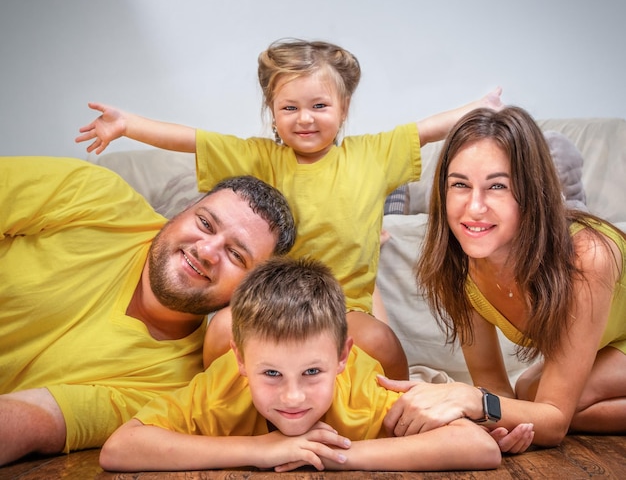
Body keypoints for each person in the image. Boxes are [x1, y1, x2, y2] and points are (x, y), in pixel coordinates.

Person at [75, 38, 505, 380]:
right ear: (272, 113)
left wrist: (479, 108)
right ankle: (222, 405)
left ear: (344, 109)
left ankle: (393, 414)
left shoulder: (374, 153)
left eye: (319, 106)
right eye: (290, 108)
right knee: (222, 328)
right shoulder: (260, 158)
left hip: (342, 308)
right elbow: (192, 139)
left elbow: (428, 129)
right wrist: (128, 125)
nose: (305, 119)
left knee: (384, 343)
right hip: (267, 302)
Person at [0, 157, 296, 467]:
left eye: (236, 254)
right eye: (205, 223)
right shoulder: (93, 194)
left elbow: (39, 417)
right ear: (180, 213)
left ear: (247, 291)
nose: (206, 251)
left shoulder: (173, 386)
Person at [99, 256, 508, 473]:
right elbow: (119, 449)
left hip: (368, 367)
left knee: (383, 338)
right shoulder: (221, 385)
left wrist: (336, 456)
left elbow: (478, 446)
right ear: (240, 361)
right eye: (271, 373)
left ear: (341, 359)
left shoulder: (361, 386)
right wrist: (260, 449)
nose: (292, 396)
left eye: (312, 372)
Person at [379, 106, 626, 449]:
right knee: (527, 395)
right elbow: (495, 389)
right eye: (460, 185)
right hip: (610, 348)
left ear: (531, 191)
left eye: (497, 186)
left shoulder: (587, 255)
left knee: (550, 407)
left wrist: (470, 400)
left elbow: (552, 422)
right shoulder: (462, 267)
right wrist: (498, 424)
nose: (474, 207)